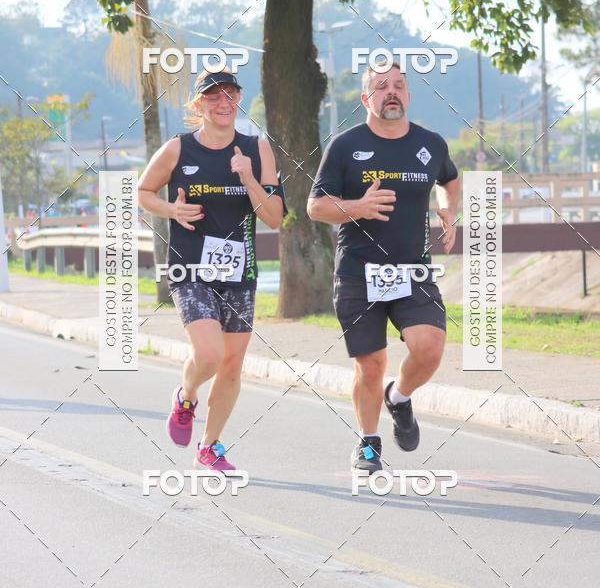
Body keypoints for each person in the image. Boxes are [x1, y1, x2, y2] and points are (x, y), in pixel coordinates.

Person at [307, 62, 459, 473]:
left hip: (412, 270)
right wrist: (357, 208)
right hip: (359, 273)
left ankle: (400, 396)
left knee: (429, 347)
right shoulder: (344, 146)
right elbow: (315, 207)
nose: (390, 92)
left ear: (408, 96)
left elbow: (450, 179)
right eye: (380, 87)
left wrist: (449, 212)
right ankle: (369, 441)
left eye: (398, 86)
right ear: (365, 99)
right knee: (370, 365)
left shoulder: (430, 144)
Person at [138, 68, 285, 471]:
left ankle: (210, 445)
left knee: (232, 365)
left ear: (238, 100)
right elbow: (143, 191)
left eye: (230, 95)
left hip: (241, 271)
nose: (223, 103)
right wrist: (171, 209)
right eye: (214, 96)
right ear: (198, 104)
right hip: (191, 269)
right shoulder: (177, 149)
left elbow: (274, 217)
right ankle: (186, 397)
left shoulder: (257, 149)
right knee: (209, 354)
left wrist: (249, 178)